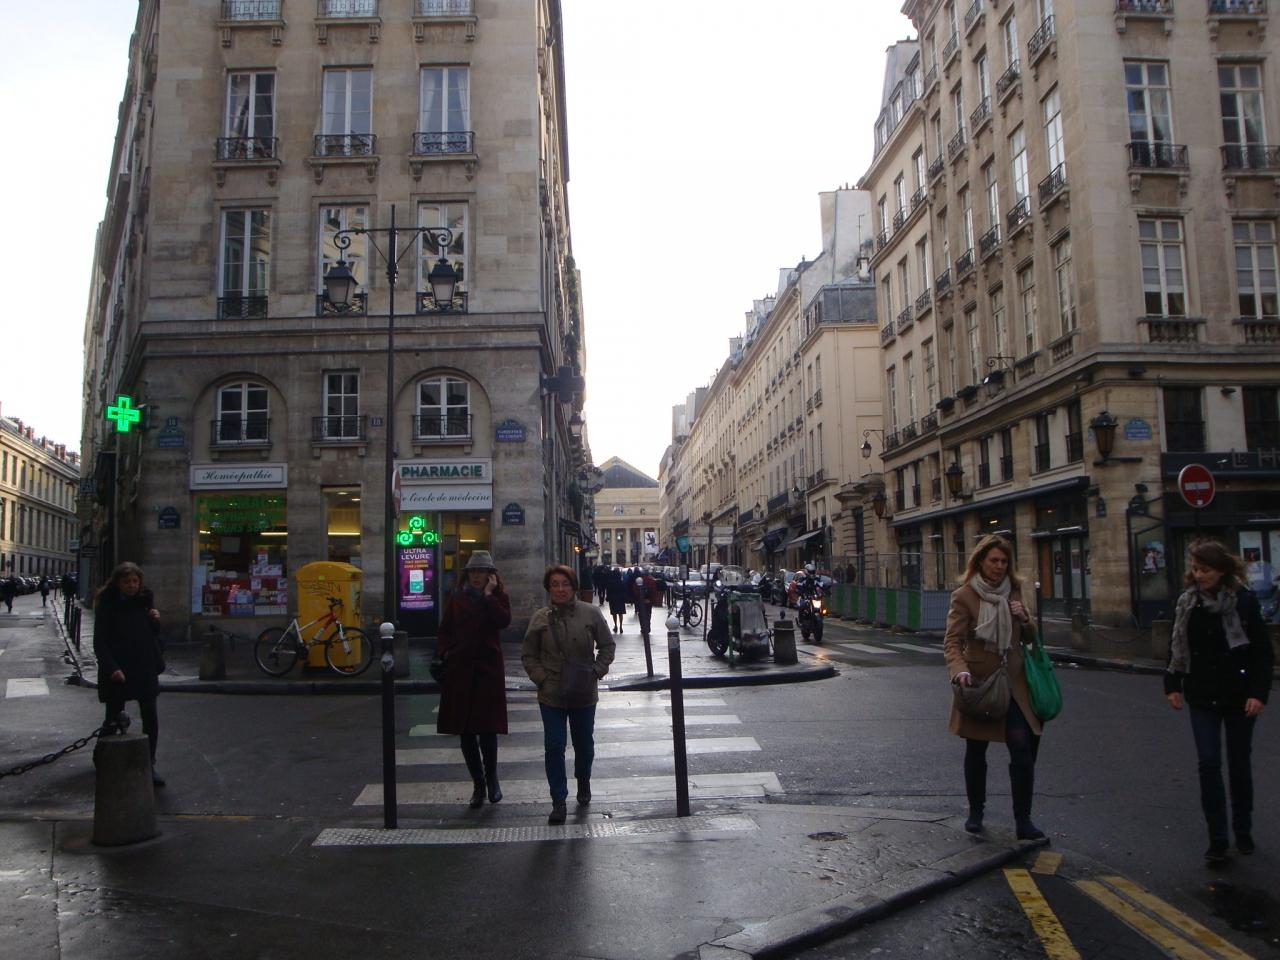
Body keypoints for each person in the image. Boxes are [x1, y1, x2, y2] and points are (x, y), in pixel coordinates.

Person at [1164, 540, 1272, 863]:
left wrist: (1258, 693)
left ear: (1222, 570)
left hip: (1239, 695)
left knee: (1239, 765)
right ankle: (1218, 838)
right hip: (1201, 694)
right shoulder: (1188, 603)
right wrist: (1173, 684)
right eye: (1195, 569)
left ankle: (1243, 830)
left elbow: (1262, 652)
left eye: (1206, 570)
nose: (1199, 575)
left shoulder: (1244, 601)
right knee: (1208, 764)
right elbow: (1177, 645)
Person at [942, 535, 1044, 840]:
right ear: (980, 562)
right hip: (980, 684)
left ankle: (1023, 820)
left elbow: (1030, 638)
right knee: (976, 750)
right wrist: (959, 671)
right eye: (993, 561)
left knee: (1022, 748)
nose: (999, 566)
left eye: (1004, 561)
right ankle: (976, 812)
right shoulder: (964, 595)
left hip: (1014, 683)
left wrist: (1025, 619)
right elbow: (952, 642)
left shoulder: (1015, 591)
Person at [522, 565, 616, 824]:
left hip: (583, 692)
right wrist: (541, 678)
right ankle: (559, 800)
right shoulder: (540, 618)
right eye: (555, 585)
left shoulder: (590, 613)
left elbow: (607, 646)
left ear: (573, 587)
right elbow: (529, 654)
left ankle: (583, 779)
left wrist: (596, 671)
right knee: (554, 746)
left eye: (565, 584)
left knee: (584, 745)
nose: (560, 589)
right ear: (548, 589)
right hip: (551, 693)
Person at [436, 550, 512, 809]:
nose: (477, 576)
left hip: (487, 671)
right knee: (466, 732)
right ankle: (478, 784)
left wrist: (489, 596)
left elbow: (503, 621)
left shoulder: (498, 597)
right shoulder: (457, 598)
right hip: (461, 670)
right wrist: (444, 653)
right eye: (473, 572)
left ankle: (492, 780)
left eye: (482, 572)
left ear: (491, 575)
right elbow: (445, 629)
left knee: (488, 730)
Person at [93, 561, 166, 786]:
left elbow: (153, 633)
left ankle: (149, 763)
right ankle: (103, 755)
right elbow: (99, 641)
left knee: (150, 716)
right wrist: (112, 668)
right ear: (117, 582)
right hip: (119, 667)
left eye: (135, 581)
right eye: (127, 582)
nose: (132, 585)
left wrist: (155, 619)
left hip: (144, 665)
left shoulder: (144, 601)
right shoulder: (107, 604)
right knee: (114, 716)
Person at [631, 568, 658, 642]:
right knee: (648, 614)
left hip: (640, 601)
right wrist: (651, 600)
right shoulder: (651, 580)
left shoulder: (638, 580)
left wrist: (639, 598)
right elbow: (654, 591)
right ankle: (648, 627)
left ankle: (643, 628)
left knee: (641, 615)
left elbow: (635, 590)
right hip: (649, 601)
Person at [605, 566, 628, 634]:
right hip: (620, 599)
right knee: (620, 613)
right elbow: (625, 591)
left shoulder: (610, 582)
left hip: (613, 600)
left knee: (614, 613)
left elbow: (608, 591)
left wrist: (608, 598)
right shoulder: (622, 582)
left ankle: (615, 625)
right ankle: (621, 626)